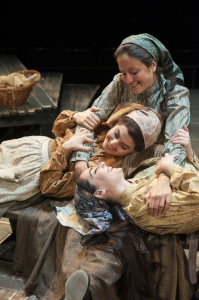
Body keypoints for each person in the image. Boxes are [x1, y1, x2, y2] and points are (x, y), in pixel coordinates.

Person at [72, 33, 190, 217]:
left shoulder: (176, 94)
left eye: (134, 72)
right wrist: (80, 163)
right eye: (123, 73)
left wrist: (164, 179)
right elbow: (91, 119)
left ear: (153, 65)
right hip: (115, 157)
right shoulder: (119, 83)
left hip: (154, 163)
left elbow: (176, 144)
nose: (128, 79)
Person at [0, 103, 161, 213]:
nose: (113, 143)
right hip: (31, 147)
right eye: (116, 134)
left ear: (131, 151)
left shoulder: (101, 168)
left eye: (123, 146)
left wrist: (66, 148)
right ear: (115, 124)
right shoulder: (99, 126)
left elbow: (50, 186)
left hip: (33, 173)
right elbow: (57, 127)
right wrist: (76, 116)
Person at [76, 126, 199, 235]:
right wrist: (169, 168)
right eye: (95, 171)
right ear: (100, 193)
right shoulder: (141, 207)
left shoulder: (139, 173)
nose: (101, 164)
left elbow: (181, 166)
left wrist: (189, 153)